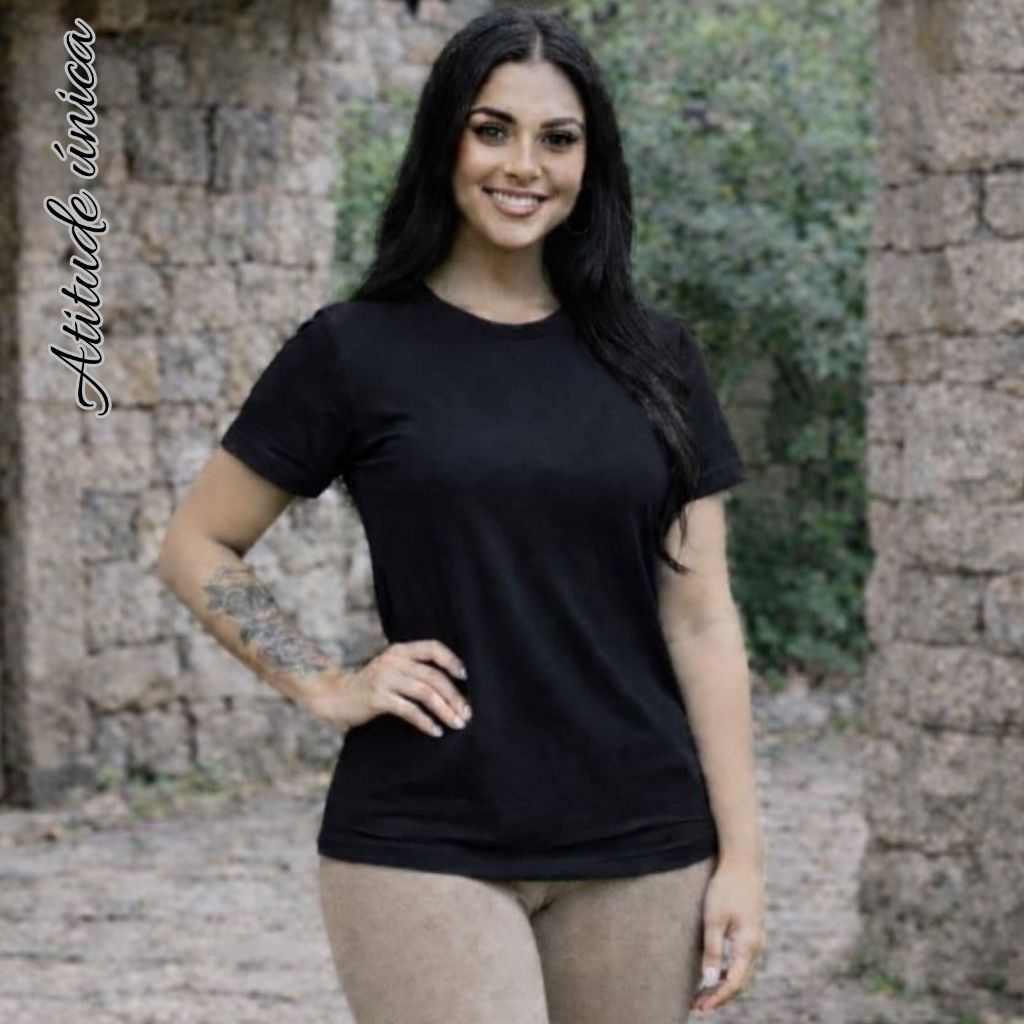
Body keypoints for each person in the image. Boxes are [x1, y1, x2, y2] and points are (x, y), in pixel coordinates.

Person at [157, 7, 765, 1023]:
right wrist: (322, 680)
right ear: (446, 138)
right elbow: (195, 543)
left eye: (557, 138)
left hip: (643, 842)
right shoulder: (353, 350)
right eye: (492, 130)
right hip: (424, 837)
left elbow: (701, 620)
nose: (523, 165)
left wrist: (741, 859)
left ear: (589, 163)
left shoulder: (657, 359)